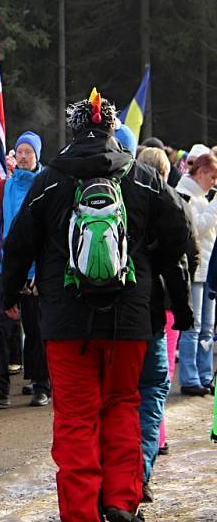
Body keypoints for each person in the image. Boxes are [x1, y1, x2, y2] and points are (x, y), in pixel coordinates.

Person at [1, 91, 191, 522]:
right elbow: (178, 231)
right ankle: (121, 500)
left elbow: (17, 246)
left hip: (67, 323)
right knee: (124, 403)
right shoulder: (141, 176)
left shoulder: (49, 180)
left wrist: (8, 299)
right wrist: (160, 283)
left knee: (75, 418)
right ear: (111, 128)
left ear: (74, 131)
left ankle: (82, 511)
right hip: (130, 319)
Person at [133, 146, 194, 502]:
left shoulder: (123, 199)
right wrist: (183, 310)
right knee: (155, 387)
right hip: (160, 312)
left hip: (123, 316)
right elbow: (187, 255)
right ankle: (140, 471)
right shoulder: (173, 203)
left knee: (125, 397)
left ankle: (119, 477)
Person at [0, 131, 49, 408]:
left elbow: (49, 234)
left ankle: (41, 384)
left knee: (37, 329)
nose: (22, 156)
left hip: (34, 272)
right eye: (19, 151)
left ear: (37, 156)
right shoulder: (1, 189)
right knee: (0, 327)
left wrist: (40, 273)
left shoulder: (46, 187)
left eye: (28, 152)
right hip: (7, 269)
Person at [174, 152, 217, 396]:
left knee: (207, 328)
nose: (214, 182)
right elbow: (197, 228)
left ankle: (205, 375)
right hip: (195, 271)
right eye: (212, 177)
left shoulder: (200, 196)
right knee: (194, 326)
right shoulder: (186, 194)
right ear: (200, 173)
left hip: (207, 269)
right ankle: (190, 377)